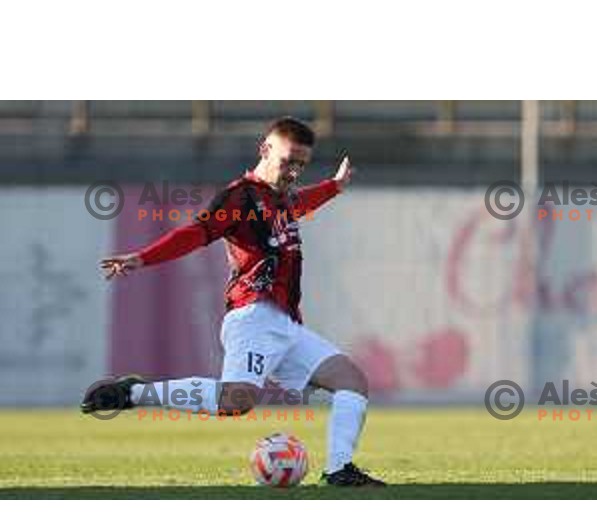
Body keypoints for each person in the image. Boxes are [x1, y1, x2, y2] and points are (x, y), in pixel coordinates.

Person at [81, 116, 385, 487]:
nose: (293, 171)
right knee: (236, 400)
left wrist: (334, 187)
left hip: (286, 323)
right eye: (288, 160)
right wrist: (142, 257)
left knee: (351, 381)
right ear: (265, 150)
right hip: (252, 316)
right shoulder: (240, 196)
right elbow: (197, 232)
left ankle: (339, 469)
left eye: (301, 164)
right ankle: (133, 392)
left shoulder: (281, 198)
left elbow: (299, 203)